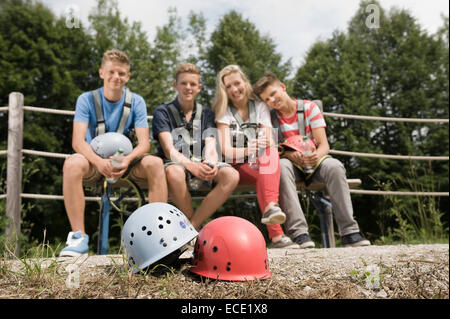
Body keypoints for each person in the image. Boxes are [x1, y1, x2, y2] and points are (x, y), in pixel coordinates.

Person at [60, 49, 168, 257]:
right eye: (111, 72)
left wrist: (126, 160)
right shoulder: (86, 99)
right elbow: (78, 141)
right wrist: (99, 163)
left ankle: (157, 236)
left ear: (128, 76)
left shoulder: (137, 101)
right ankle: (78, 237)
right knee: (72, 163)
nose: (116, 77)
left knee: (155, 163)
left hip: (126, 163)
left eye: (121, 73)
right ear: (101, 73)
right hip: (94, 162)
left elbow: (144, 144)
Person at [253, 72, 371, 247]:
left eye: (273, 93)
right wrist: (287, 154)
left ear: (283, 87)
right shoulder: (269, 117)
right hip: (290, 165)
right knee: (282, 167)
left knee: (335, 166)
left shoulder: (309, 108)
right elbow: (271, 150)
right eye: (267, 99)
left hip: (315, 162)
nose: (272, 100)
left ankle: (350, 232)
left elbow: (324, 145)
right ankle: (300, 234)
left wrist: (317, 155)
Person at [213, 64, 299, 249]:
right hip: (234, 166)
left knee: (271, 154)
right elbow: (226, 151)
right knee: (269, 172)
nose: (234, 89)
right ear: (224, 91)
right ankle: (276, 231)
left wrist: (258, 146)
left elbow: (268, 139)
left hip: (260, 163)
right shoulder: (224, 111)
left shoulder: (259, 106)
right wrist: (247, 150)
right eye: (228, 86)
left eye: (237, 83)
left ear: (245, 82)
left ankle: (272, 214)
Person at [152, 63, 240, 231]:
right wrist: (192, 166)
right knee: (174, 172)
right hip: (177, 163)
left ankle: (191, 226)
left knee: (231, 175)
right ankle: (193, 230)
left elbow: (211, 145)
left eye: (192, 84)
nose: (188, 87)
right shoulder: (162, 111)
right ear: (175, 85)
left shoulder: (206, 113)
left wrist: (210, 163)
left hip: (201, 161)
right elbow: (168, 150)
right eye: (183, 83)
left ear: (199, 87)